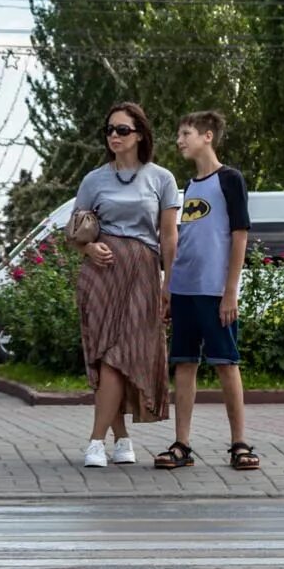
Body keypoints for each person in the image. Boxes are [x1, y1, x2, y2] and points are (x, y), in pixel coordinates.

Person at [74, 101, 179, 468]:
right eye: (109, 130)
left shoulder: (162, 178)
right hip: (101, 276)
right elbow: (75, 231)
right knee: (106, 356)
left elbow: (168, 237)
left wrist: (169, 284)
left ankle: (96, 441)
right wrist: (88, 248)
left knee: (120, 356)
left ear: (139, 135)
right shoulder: (94, 179)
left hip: (142, 274)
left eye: (122, 130)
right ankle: (118, 439)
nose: (114, 136)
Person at [155, 111, 261, 472]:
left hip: (215, 293)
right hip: (184, 291)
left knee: (226, 364)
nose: (180, 140)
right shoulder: (189, 187)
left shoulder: (230, 179)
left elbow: (239, 235)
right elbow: (183, 241)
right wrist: (168, 288)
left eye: (186, 133)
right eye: (179, 134)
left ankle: (239, 444)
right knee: (184, 364)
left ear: (208, 136)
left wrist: (230, 291)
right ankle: (182, 444)